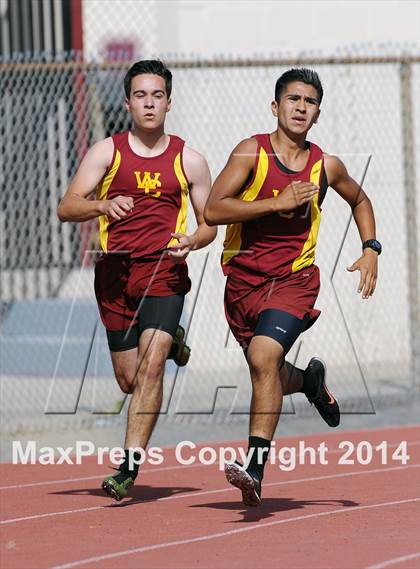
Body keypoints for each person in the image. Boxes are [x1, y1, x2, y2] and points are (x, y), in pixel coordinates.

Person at [204, 68, 380, 507]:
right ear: (275, 106)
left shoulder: (326, 165)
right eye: (294, 99)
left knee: (264, 357)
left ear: (318, 113)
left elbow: (359, 199)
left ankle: (254, 468)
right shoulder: (250, 153)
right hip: (243, 282)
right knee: (269, 373)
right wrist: (275, 202)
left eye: (310, 102)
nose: (301, 107)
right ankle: (311, 383)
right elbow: (212, 209)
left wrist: (371, 247)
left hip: (294, 281)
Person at [58, 60, 216, 500]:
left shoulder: (190, 159)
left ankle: (128, 468)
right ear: (127, 102)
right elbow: (66, 206)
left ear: (169, 101)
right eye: (141, 95)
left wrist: (193, 241)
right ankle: (175, 341)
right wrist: (102, 205)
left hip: (164, 270)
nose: (150, 103)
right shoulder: (106, 152)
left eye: (158, 95)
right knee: (130, 380)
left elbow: (209, 225)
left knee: (151, 365)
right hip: (114, 273)